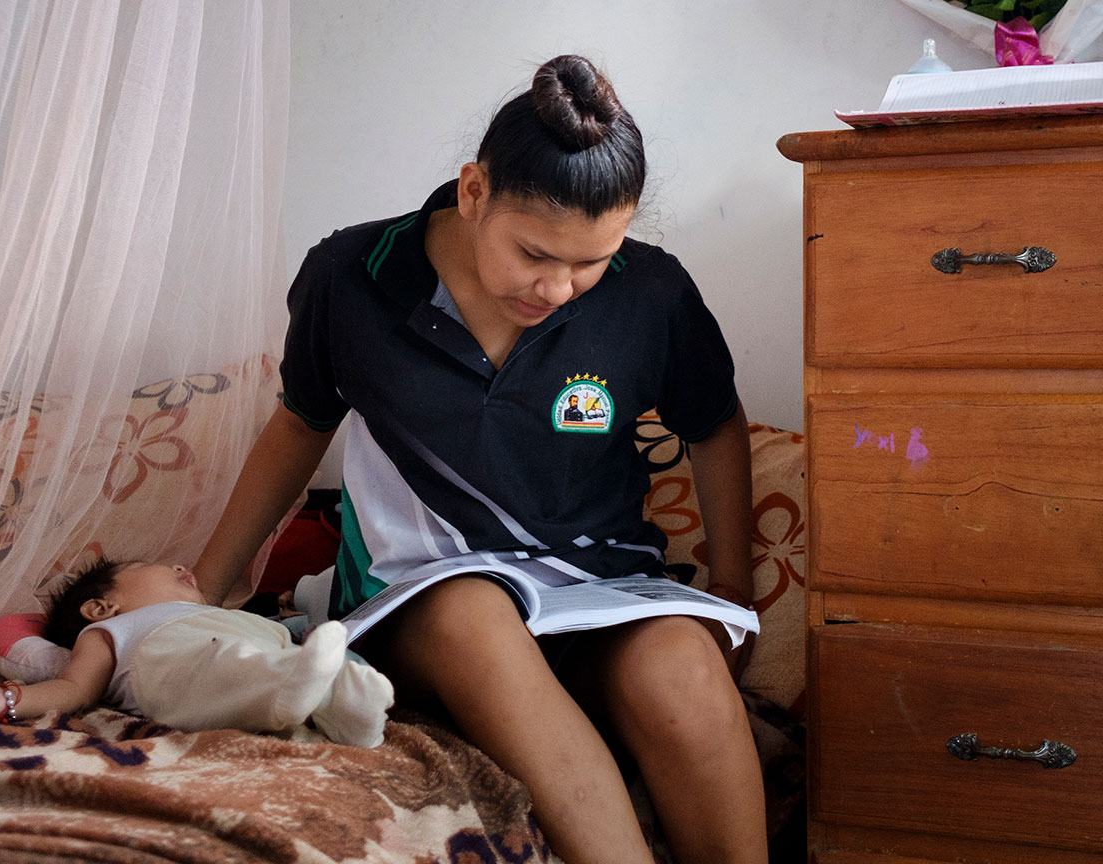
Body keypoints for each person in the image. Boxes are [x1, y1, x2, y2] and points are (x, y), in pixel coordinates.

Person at [192, 55, 767, 864]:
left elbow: (714, 427)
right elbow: (299, 427)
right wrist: (206, 589)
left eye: (590, 261)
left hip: (597, 588)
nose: (560, 288)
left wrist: (736, 593)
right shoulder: (353, 278)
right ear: (473, 193)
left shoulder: (651, 295)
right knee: (475, 615)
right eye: (534, 254)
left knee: (681, 667)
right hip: (420, 594)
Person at [0, 557, 393, 747]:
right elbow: (73, 687)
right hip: (174, 665)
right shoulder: (109, 631)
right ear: (102, 606)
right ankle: (290, 687)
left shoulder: (217, 612)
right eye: (146, 567)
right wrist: (10, 699)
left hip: (266, 645)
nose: (181, 567)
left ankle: (347, 714)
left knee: (306, 659)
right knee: (223, 665)